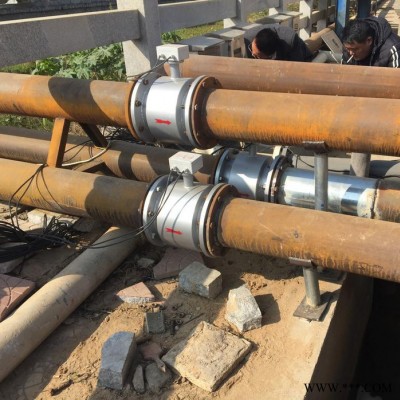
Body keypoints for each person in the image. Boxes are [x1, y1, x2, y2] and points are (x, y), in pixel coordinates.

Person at [246, 26, 313, 62]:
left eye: (257, 56)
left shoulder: (290, 40)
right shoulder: (248, 38)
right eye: (254, 55)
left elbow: (297, 69)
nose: (252, 54)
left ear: (269, 56)